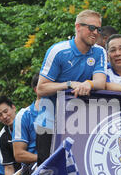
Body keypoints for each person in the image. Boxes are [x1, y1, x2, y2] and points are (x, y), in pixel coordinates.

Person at [36, 9, 107, 164]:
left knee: (78, 168)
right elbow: (41, 88)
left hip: (78, 121)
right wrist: (68, 85)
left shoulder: (99, 52)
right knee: (48, 171)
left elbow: (101, 82)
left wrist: (88, 84)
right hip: (49, 120)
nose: (95, 32)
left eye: (98, 29)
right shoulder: (59, 51)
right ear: (78, 27)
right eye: (91, 28)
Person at [0, 96, 21, 175]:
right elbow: (8, 167)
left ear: (13, 108)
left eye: (6, 111)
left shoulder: (29, 122)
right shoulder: (2, 137)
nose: (4, 116)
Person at [13, 74, 41, 164]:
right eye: (46, 86)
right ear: (36, 89)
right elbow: (19, 154)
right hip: (36, 170)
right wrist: (44, 159)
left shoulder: (62, 112)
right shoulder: (23, 115)